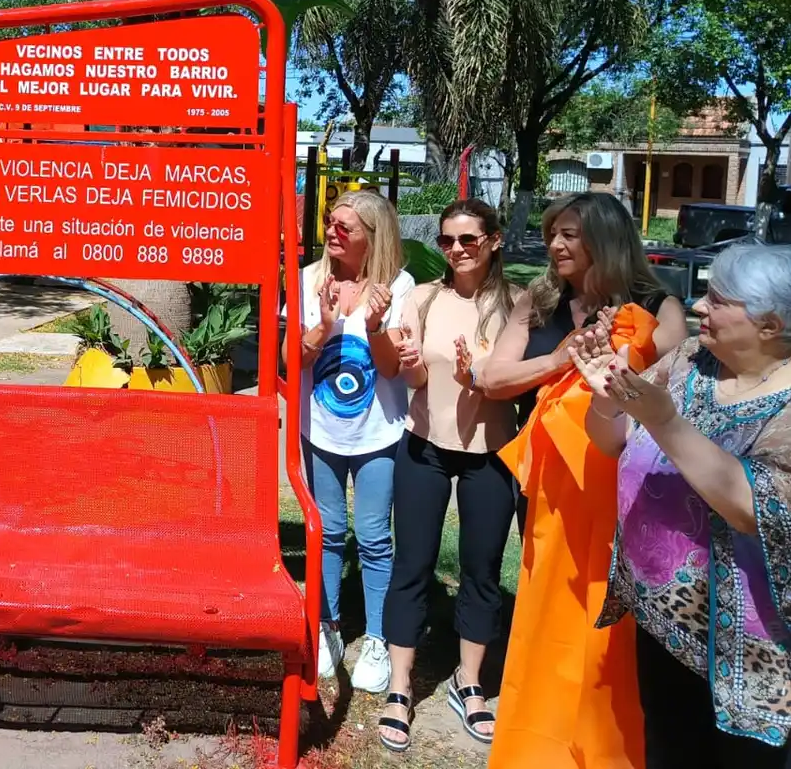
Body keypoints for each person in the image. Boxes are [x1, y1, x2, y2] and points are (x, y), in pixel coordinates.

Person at [481, 191, 688, 768]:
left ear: (606, 238)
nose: (555, 245)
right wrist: (563, 358)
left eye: (569, 234)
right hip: (551, 491)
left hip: (622, 494)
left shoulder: (656, 306)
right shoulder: (540, 300)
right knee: (548, 611)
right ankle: (538, 743)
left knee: (608, 624)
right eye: (552, 233)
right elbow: (495, 378)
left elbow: (679, 393)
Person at [572, 242, 791, 768]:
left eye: (717, 301)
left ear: (771, 324)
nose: (698, 307)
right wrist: (607, 398)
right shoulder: (692, 358)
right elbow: (611, 440)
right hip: (665, 626)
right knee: (668, 749)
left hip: (753, 657)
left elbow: (755, 511)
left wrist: (666, 422)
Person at [378, 199, 520, 752]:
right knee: (411, 564)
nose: (457, 250)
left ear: (494, 241)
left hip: (492, 452)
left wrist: (480, 378)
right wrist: (410, 360)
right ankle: (399, 687)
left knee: (482, 569)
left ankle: (471, 683)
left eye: (468, 239)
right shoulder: (423, 298)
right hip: (425, 448)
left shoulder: (516, 304)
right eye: (446, 241)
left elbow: (520, 379)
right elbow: (408, 377)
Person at [290, 189, 413, 694]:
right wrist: (322, 325)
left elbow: (389, 368)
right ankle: (329, 628)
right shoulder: (308, 279)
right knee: (328, 531)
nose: (333, 232)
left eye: (346, 226)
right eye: (330, 222)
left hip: (377, 432)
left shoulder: (400, 287)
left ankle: (379, 638)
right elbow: (291, 361)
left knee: (375, 536)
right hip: (321, 430)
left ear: (372, 236)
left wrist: (376, 325)